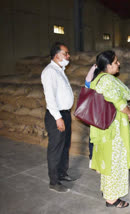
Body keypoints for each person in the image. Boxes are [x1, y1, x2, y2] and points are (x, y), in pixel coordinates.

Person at [89, 50, 130, 208]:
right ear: (108, 66)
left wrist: (128, 109)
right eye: (116, 62)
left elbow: (117, 100)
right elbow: (119, 103)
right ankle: (111, 199)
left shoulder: (103, 79)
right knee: (113, 163)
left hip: (109, 129)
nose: (119, 64)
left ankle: (109, 191)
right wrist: (129, 112)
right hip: (112, 132)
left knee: (109, 161)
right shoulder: (107, 80)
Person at [41, 42, 76, 193]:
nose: (68, 56)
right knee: (55, 148)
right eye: (65, 53)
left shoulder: (59, 70)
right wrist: (58, 117)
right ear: (56, 55)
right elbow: (50, 98)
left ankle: (62, 173)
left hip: (64, 114)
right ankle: (54, 181)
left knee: (65, 146)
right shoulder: (49, 72)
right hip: (56, 115)